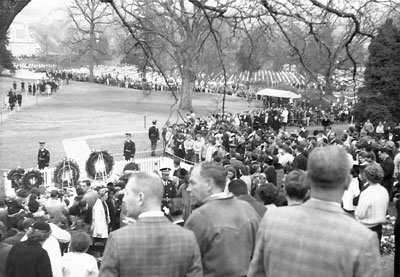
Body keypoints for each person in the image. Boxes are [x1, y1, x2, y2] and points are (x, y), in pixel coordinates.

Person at [248, 145, 381, 277]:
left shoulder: (272, 219)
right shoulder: (362, 239)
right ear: (347, 181)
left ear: (308, 178)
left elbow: (256, 273)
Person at [99, 172, 202, 277]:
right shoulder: (188, 238)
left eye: (127, 194)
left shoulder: (118, 239)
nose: (124, 199)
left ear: (140, 198)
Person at [185, 161, 260, 277]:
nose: (189, 189)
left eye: (192, 183)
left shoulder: (199, 218)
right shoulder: (247, 208)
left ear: (209, 184)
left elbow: (188, 266)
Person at [355, 163, 389, 243]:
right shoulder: (383, 190)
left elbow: (360, 214)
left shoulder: (366, 193)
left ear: (367, 176)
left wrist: (356, 211)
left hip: (366, 228)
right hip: (378, 227)